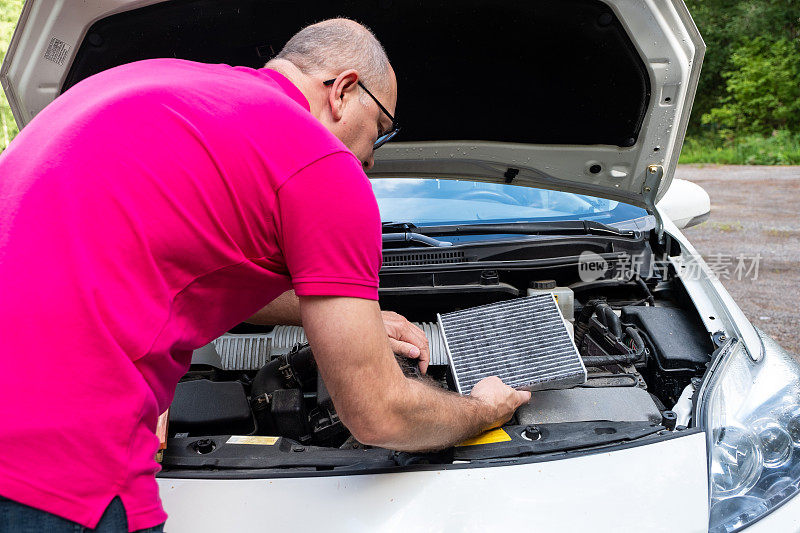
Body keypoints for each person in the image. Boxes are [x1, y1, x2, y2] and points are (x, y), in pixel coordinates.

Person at [0, 18, 530, 532]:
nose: (369, 161)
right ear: (343, 91)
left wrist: (320, 313)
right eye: (381, 131)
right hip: (56, 464)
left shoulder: (150, 81)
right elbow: (379, 416)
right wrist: (482, 410)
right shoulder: (321, 163)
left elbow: (180, 258)